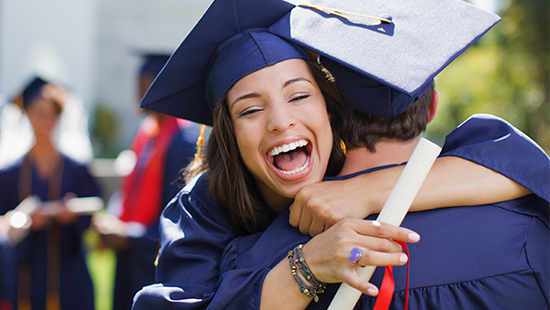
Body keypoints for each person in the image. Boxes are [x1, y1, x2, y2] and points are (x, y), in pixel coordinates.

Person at [132, 0, 546, 309]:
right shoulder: (208, 212)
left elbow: (519, 165)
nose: (280, 121)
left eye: (298, 95)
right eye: (250, 109)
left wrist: (365, 191)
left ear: (331, 112)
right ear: (228, 133)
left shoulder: (257, 259)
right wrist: (305, 267)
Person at [92, 54, 200, 310]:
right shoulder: (145, 134)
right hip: (132, 258)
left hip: (155, 261)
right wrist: (116, 224)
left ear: (163, 86)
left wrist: (132, 236)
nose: (137, 91)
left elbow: (180, 216)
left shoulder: (183, 140)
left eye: (144, 83)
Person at [0, 76, 101, 310]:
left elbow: (93, 209)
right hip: (25, 272)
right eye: (39, 113)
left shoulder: (77, 170)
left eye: (52, 114)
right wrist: (21, 222)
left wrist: (73, 215)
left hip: (66, 269)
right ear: (26, 115)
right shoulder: (9, 173)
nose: (46, 121)